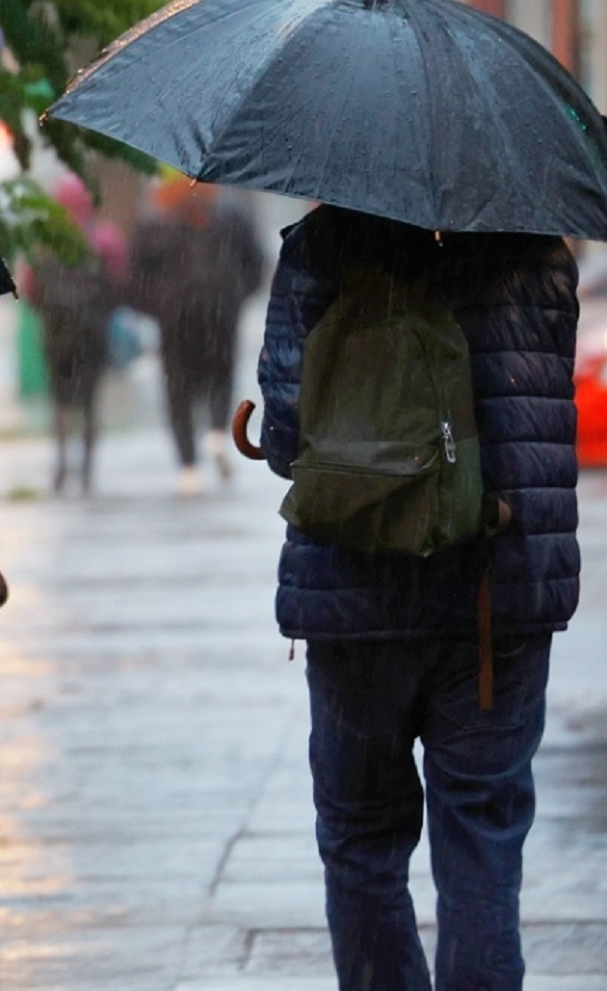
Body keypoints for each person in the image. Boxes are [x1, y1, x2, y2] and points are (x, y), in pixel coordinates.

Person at [255, 204, 580, 990]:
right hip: (494, 594)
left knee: (363, 841)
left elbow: (286, 433)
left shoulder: (321, 249)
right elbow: (538, 410)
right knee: (482, 842)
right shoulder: (536, 250)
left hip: (355, 591)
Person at [128, 172, 266, 494]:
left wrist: (159, 306)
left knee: (178, 391)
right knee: (220, 376)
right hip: (221, 314)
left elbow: (136, 277)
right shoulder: (232, 218)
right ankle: (218, 433)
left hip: (175, 321)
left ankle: (188, 466)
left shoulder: (156, 224)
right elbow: (256, 264)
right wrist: (235, 297)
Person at [20, 173, 129, 495]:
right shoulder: (104, 238)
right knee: (90, 401)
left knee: (60, 401)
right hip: (92, 333)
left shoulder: (44, 242)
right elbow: (119, 283)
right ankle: (87, 470)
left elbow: (30, 289)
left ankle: (61, 461)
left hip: (57, 333)